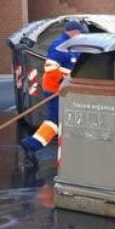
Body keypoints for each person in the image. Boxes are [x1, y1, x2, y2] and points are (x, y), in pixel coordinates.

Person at [20, 19, 86, 156]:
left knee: (60, 120)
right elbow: (51, 68)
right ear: (75, 32)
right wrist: (65, 83)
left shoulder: (72, 45)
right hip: (56, 89)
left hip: (64, 89)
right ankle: (32, 144)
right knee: (54, 121)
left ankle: (34, 144)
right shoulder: (60, 46)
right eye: (80, 34)